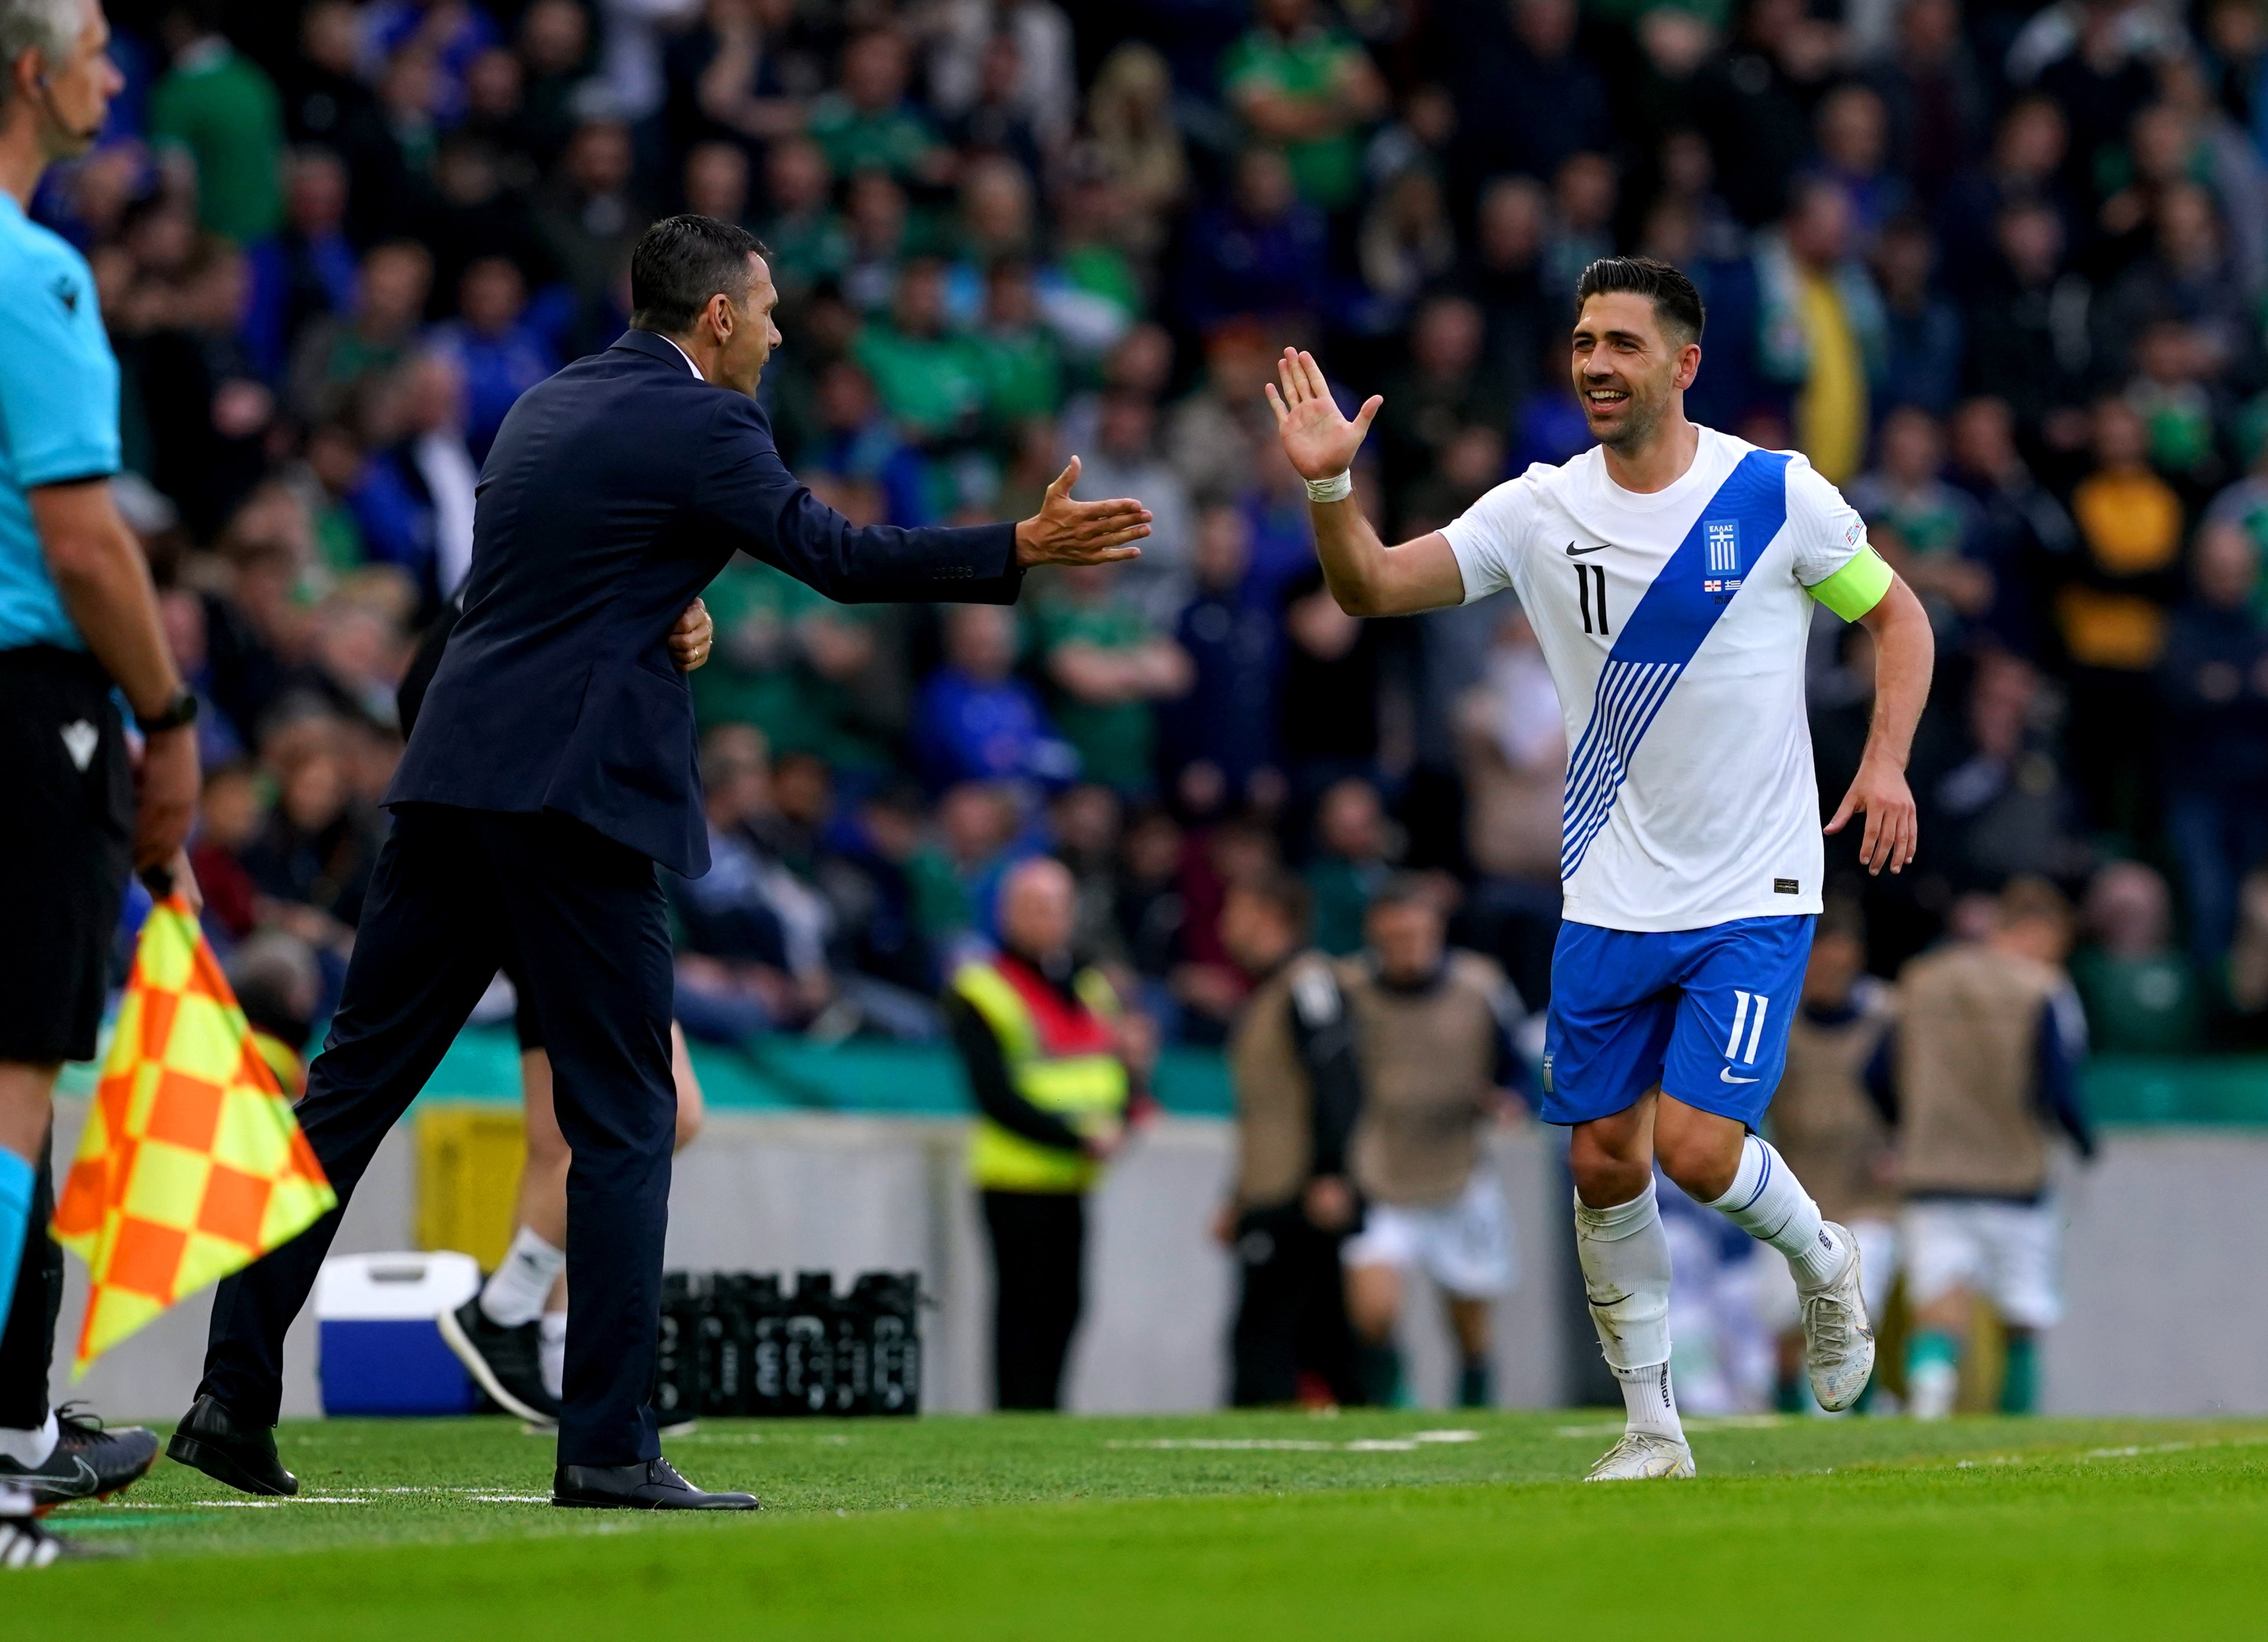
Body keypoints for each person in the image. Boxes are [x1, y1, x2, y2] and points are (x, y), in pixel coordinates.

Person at [164, 214, 1152, 1511]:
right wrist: (1012, 548)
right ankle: (609, 1444)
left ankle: (229, 1398)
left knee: (343, 1099)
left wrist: (651, 615)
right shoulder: (708, 425)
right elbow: (834, 559)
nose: (785, 329)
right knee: (626, 1115)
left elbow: (491, 611)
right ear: (719, 318)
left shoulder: (540, 408)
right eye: (771, 306)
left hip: (452, 783)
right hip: (577, 803)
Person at [1265, 253, 1935, 1480]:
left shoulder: (1770, 495)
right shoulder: (1536, 509)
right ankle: (1652, 1427)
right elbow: (1364, 587)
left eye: (1620, 344)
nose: (1593, 365)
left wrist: (1884, 763)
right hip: (1609, 891)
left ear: (1682, 363)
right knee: (1599, 1158)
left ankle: (1820, 1258)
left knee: (1691, 1143)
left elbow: (1896, 617)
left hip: (1751, 887)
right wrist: (1325, 485)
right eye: (1581, 343)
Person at [0, 0, 189, 1566]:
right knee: (11, 1080)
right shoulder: (33, 273)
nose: (114, 76)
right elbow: (81, 539)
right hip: (25, 705)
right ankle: (1, 1467)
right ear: (30, 72)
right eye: (99, 48)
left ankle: (15, 1424)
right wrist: (170, 713)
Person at [393, 593, 715, 1426]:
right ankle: (507, 1309)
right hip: (560, 863)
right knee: (659, 1109)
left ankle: (556, 1350)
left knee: (559, 1135)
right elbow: (422, 690)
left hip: (548, 857)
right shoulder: (541, 566)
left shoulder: (569, 566)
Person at [1894, 878, 2093, 1420]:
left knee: (1938, 1301)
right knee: (2023, 1311)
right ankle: (2016, 1422)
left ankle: (1929, 1401)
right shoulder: (2043, 990)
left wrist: (1909, 1128)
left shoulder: (1924, 980)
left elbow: (1877, 1070)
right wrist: (2083, 1142)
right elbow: (2058, 1084)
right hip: (2013, 1177)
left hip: (1932, 1174)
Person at [946, 856, 1139, 1411]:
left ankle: (1048, 1413)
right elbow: (996, 1095)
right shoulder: (981, 988)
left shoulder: (1089, 986)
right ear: (1007, 914)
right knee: (1024, 1311)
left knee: (1068, 1306)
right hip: (1016, 1178)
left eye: (1057, 907)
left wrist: (1120, 1121)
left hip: (1074, 1179)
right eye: (1035, 907)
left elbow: (1116, 1067)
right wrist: (1080, 1137)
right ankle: (1018, 1415)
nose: (1049, 919)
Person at [1338, 877, 1527, 1410]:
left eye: (1417, 934)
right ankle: (1395, 1408)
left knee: (1469, 1319)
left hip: (1457, 1171)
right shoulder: (1348, 990)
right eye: (1394, 937)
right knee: (1372, 1313)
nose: (1407, 948)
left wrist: (1507, 1097)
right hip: (1380, 1168)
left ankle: (1475, 1403)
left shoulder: (1481, 985)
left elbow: (1516, 1062)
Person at [1213, 871, 1363, 1408]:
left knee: (1262, 1342)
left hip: (1298, 1197)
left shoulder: (1308, 983)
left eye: (1234, 912)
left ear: (1268, 917)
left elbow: (1337, 1078)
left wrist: (1331, 1172)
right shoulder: (1272, 989)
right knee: (1323, 1340)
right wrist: (1237, 1196)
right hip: (1275, 1195)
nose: (1223, 927)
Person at [1755, 909, 1899, 1413]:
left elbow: (1923, 1097)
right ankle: (1788, 1420)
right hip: (1793, 1196)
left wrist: (1903, 1150)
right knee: (1784, 1317)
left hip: (1868, 1197)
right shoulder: (1777, 1021)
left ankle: (1859, 1419)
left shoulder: (1888, 1021)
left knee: (1859, 1308)